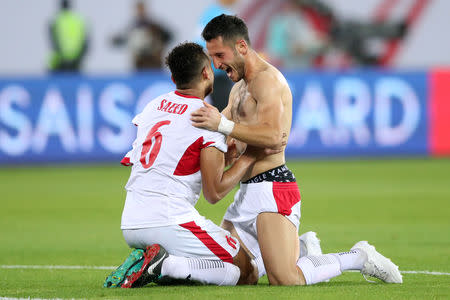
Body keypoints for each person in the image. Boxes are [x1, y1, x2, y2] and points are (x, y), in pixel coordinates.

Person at [190, 14, 403, 285]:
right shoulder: (238, 88)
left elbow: (274, 136)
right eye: (212, 57)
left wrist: (222, 125)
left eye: (220, 55)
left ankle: (357, 256)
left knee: (285, 279)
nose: (217, 65)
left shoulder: (268, 80)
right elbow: (225, 133)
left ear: (242, 47)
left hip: (273, 187)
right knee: (238, 276)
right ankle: (301, 249)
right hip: (245, 192)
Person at [104, 42, 266, 288]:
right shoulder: (207, 117)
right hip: (169, 220)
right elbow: (214, 193)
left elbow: (173, 156)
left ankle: (161, 261)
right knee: (247, 272)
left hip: (131, 222)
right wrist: (248, 157)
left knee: (213, 264)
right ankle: (166, 265)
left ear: (172, 78)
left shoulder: (153, 106)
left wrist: (226, 158)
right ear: (205, 73)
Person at [111, 1, 172, 70]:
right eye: (139, 9)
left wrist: (158, 42)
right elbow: (120, 41)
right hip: (139, 63)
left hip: (154, 62)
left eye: (142, 9)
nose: (141, 12)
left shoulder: (155, 26)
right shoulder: (131, 28)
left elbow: (169, 36)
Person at [47, 0, 89, 72]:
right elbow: (86, 42)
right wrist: (80, 57)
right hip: (77, 59)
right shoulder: (79, 20)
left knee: (57, 80)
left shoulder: (56, 20)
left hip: (60, 60)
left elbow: (53, 41)